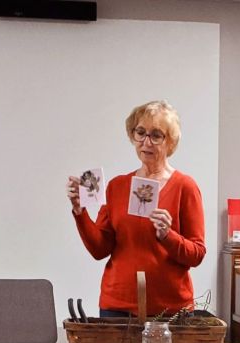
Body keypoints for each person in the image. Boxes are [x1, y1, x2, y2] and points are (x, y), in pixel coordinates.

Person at [66, 100, 206, 318]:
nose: (146, 142)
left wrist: (167, 235)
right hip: (117, 306)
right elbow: (99, 249)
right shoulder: (117, 186)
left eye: (156, 135)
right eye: (140, 133)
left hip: (169, 309)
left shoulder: (185, 186)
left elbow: (196, 254)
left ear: (170, 142)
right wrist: (79, 211)